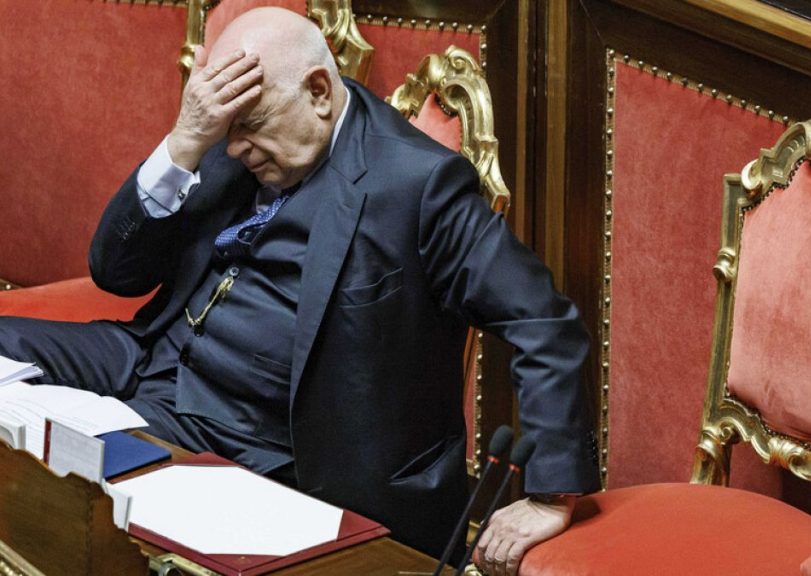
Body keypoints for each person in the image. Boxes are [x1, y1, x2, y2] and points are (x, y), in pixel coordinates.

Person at [0, 7, 598, 574]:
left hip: (277, 448)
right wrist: (185, 140)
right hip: (150, 366)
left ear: (318, 92)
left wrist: (550, 494)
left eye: (250, 130)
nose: (235, 150)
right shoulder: (230, 130)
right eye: (225, 131)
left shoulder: (418, 186)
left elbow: (544, 322)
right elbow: (115, 272)